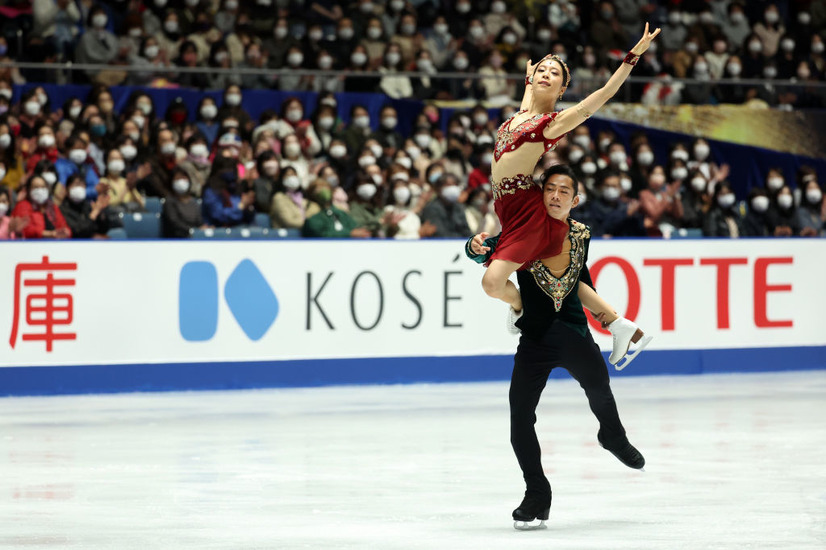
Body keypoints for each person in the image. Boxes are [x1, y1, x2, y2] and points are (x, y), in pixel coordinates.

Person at [466, 165, 645, 530]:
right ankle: (537, 494)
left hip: (574, 331)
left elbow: (581, 277)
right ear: (540, 194)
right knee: (520, 418)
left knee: (600, 389)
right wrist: (473, 248)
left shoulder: (581, 234)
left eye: (564, 191)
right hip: (535, 337)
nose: (556, 195)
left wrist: (608, 318)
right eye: (550, 189)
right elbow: (487, 252)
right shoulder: (521, 232)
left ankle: (612, 435)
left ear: (575, 200)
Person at [481, 24, 660, 367]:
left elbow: (604, 93)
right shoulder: (521, 114)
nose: (545, 74)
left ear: (563, 88)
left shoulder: (550, 124)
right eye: (542, 70)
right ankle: (618, 324)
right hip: (509, 207)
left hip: (525, 209)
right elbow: (529, 95)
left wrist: (632, 57)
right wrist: (527, 79)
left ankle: (520, 310)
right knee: (553, 272)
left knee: (492, 282)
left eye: (555, 73)